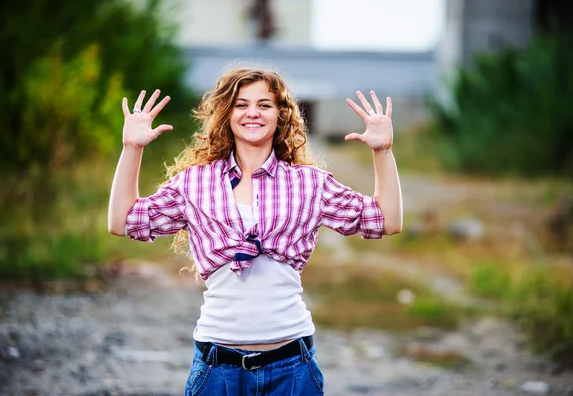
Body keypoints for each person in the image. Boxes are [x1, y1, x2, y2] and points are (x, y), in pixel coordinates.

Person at [108, 67, 403, 396]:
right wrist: (131, 148)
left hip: (292, 369)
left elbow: (385, 219)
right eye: (241, 104)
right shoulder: (195, 183)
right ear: (226, 114)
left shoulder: (308, 183)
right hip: (217, 370)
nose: (252, 112)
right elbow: (123, 221)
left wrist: (383, 151)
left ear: (280, 115)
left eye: (264, 104)